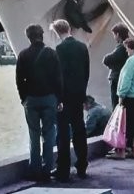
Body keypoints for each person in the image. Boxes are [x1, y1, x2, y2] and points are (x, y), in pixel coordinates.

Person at [16, 24, 63, 182]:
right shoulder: (51, 53)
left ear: (28, 37)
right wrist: (59, 98)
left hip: (31, 99)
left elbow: (19, 80)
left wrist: (24, 98)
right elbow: (58, 78)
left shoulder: (23, 55)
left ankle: (34, 169)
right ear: (42, 35)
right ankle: (47, 169)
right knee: (49, 135)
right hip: (49, 98)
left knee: (33, 135)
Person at [50, 19, 89, 181]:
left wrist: (58, 98)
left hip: (64, 98)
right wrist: (83, 95)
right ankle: (82, 165)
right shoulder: (82, 47)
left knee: (63, 133)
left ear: (57, 32)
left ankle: (63, 169)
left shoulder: (59, 49)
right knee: (80, 130)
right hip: (78, 96)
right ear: (69, 29)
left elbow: (59, 77)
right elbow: (86, 73)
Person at [107, 38, 134, 160]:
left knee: (124, 125)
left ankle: (120, 152)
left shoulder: (131, 61)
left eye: (127, 48)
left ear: (131, 48)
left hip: (130, 97)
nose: (126, 51)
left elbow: (126, 79)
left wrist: (121, 95)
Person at [102, 23, 129, 109]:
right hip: (124, 78)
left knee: (116, 104)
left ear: (118, 34)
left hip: (117, 78)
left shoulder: (121, 47)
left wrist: (112, 66)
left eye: (114, 34)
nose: (114, 37)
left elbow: (106, 60)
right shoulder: (129, 46)